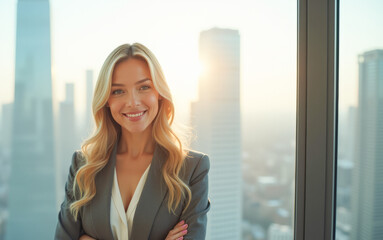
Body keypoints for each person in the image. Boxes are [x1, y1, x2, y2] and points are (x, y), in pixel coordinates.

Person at [55, 43, 210, 240]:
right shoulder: (83, 166)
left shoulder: (192, 169)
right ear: (106, 100)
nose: (133, 102)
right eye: (118, 91)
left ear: (159, 94)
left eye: (144, 87)